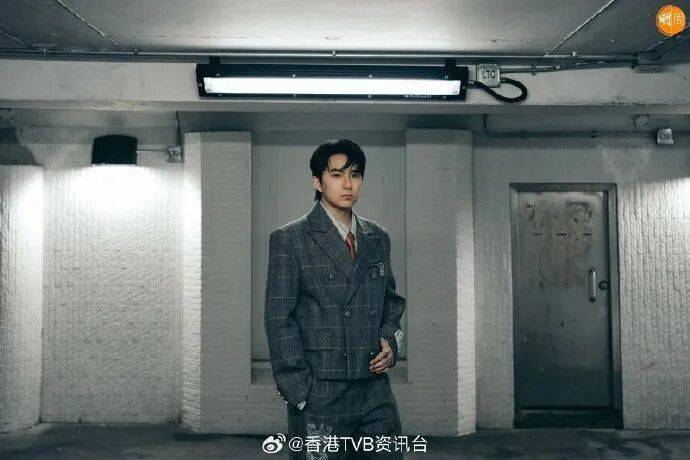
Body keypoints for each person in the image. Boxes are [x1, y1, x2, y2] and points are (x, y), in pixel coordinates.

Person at [264, 138, 406, 459]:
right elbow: (279, 319)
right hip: (320, 393)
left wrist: (390, 341)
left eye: (354, 175)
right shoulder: (291, 239)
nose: (347, 184)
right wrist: (299, 393)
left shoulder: (377, 238)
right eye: (337, 175)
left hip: (374, 390)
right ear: (318, 182)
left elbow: (391, 302)